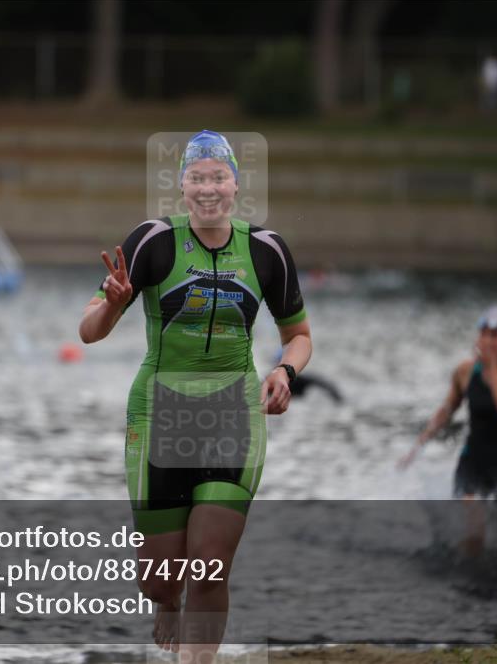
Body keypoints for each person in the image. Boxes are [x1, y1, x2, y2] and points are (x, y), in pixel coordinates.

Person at [79, 130, 312, 661]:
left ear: (236, 185)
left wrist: (284, 371)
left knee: (211, 561)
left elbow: (300, 336)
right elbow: (88, 331)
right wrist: (113, 305)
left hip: (234, 414)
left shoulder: (266, 250)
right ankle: (166, 600)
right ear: (182, 186)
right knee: (160, 581)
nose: (208, 188)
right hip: (161, 413)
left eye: (219, 177)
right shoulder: (153, 241)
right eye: (197, 178)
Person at [398, 304, 497, 499]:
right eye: (483, 334)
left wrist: (493, 369)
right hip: (473, 462)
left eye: (495, 336)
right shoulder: (465, 371)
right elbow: (446, 410)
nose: (488, 341)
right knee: (472, 525)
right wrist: (416, 448)